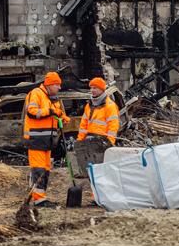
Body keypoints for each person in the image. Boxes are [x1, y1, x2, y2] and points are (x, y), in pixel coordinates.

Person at [23, 72, 70, 209]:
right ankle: (39, 200)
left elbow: (55, 114)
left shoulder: (51, 97)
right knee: (38, 170)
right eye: (57, 85)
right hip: (36, 139)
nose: (59, 88)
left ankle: (40, 198)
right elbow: (32, 112)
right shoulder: (36, 93)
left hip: (47, 140)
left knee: (45, 170)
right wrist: (49, 111)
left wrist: (62, 119)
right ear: (49, 85)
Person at [75, 77, 120, 177]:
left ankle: (98, 192)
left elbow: (113, 127)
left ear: (102, 89)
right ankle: (94, 192)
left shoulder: (110, 106)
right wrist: (79, 141)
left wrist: (109, 145)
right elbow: (83, 125)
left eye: (95, 88)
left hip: (101, 143)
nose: (92, 90)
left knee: (101, 173)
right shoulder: (89, 105)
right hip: (88, 142)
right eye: (91, 88)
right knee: (91, 172)